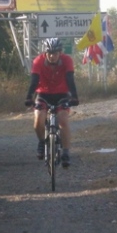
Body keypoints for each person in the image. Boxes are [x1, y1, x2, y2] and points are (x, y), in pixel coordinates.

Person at [24, 38, 79, 167]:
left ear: (60, 53)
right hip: (43, 94)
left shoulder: (67, 60)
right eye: (49, 53)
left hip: (62, 94)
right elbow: (34, 80)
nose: (52, 56)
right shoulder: (38, 61)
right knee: (39, 120)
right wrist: (28, 97)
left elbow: (70, 79)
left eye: (55, 53)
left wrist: (74, 97)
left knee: (63, 120)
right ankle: (42, 142)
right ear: (45, 52)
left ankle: (66, 152)